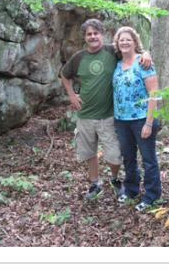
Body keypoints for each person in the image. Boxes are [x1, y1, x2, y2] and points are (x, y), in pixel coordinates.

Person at [61, 19, 152, 201]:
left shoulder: (112, 51)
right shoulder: (78, 58)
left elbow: (132, 51)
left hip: (109, 116)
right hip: (85, 114)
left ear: (102, 35)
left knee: (114, 154)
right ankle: (95, 184)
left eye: (96, 33)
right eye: (89, 34)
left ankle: (115, 179)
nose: (93, 37)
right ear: (85, 37)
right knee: (89, 153)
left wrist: (146, 53)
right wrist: (71, 94)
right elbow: (64, 75)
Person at [113, 26, 162, 212]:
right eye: (121, 39)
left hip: (142, 119)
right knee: (129, 158)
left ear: (135, 42)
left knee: (148, 160)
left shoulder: (143, 63)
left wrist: (149, 122)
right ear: (117, 43)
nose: (124, 42)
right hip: (121, 120)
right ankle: (131, 190)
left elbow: (154, 94)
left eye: (128, 39)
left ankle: (151, 196)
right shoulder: (116, 64)